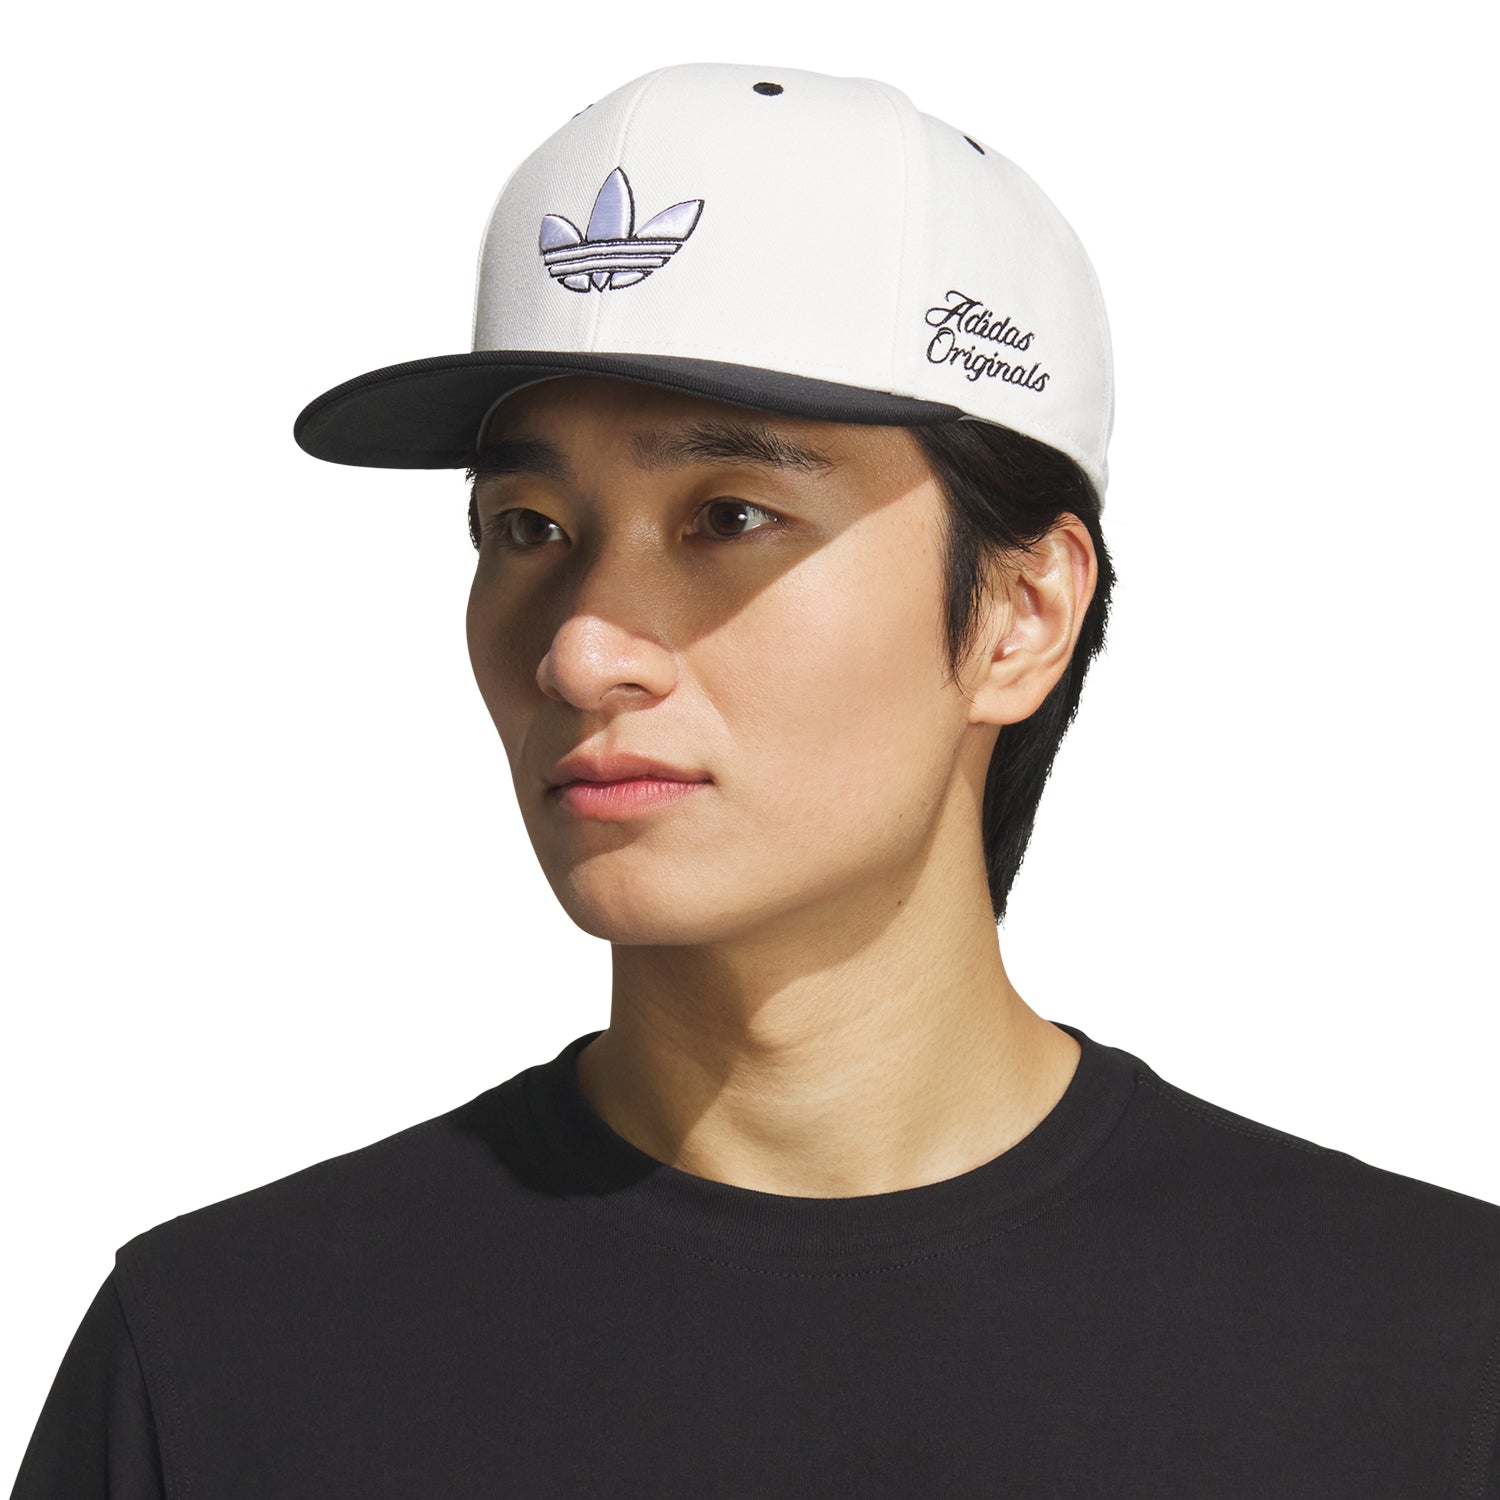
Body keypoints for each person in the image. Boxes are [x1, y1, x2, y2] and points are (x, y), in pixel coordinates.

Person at [10, 61, 1499, 1500]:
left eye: (728, 514)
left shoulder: (1430, 1360)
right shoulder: (223, 1361)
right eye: (527, 528)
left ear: (1020, 614)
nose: (582, 651)